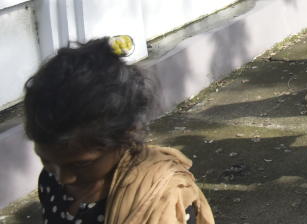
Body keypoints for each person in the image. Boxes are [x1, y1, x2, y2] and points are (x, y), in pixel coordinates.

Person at [23, 36, 215, 224]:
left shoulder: (162, 197)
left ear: (127, 134)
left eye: (81, 165)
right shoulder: (51, 181)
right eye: (46, 160)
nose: (64, 178)